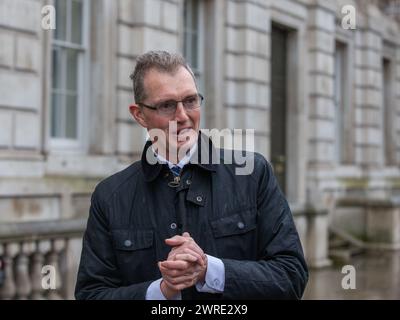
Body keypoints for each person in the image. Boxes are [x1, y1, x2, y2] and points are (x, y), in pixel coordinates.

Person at [75, 50, 308, 300]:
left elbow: (291, 276)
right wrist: (161, 292)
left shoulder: (253, 173)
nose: (183, 116)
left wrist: (209, 270)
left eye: (190, 100)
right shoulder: (110, 196)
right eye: (167, 105)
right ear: (139, 114)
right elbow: (91, 294)